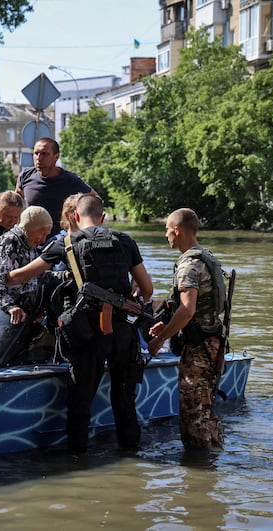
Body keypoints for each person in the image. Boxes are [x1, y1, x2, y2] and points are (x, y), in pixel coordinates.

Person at [45, 194, 153, 454]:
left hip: (86, 333)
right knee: (124, 399)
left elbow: (23, 275)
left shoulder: (67, 243)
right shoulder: (125, 241)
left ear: (75, 216)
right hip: (123, 333)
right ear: (103, 218)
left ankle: (77, 460)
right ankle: (131, 454)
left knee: (81, 400)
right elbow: (147, 289)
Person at [147, 208, 225, 450]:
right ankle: (213, 466)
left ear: (177, 230)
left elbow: (187, 309)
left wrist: (161, 338)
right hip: (213, 345)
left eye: (167, 230)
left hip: (199, 351)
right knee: (205, 411)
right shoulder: (206, 257)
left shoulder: (189, 266)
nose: (166, 235)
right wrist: (170, 323)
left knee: (194, 417)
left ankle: (198, 474)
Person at [0, 206, 53, 325]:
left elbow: (35, 275)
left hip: (22, 315)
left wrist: (62, 276)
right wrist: (10, 306)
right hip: (1, 316)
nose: (43, 240)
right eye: (42, 234)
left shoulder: (30, 244)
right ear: (29, 228)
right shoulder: (10, 243)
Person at [15, 138, 94, 238]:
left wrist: (80, 226)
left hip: (58, 241)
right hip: (30, 240)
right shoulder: (26, 175)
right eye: (36, 153)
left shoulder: (70, 180)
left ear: (56, 157)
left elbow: (94, 200)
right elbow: (15, 204)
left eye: (44, 154)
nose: (39, 158)